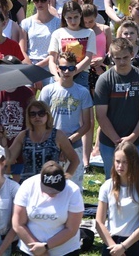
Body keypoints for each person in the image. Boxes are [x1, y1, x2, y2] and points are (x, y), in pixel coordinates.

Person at [94, 38, 139, 179]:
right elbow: (101, 116)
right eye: (117, 58)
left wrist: (132, 138)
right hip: (109, 142)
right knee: (113, 182)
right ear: (111, 56)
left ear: (132, 54)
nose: (121, 62)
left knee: (137, 182)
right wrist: (117, 140)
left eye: (125, 57)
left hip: (138, 141)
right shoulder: (104, 80)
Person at [39, 51, 93, 188]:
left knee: (73, 188)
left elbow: (87, 125)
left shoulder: (82, 92)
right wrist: (56, 142)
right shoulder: (47, 90)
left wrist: (67, 142)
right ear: (57, 68)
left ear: (76, 69)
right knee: (49, 187)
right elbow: (40, 119)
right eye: (63, 68)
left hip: (74, 145)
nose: (66, 71)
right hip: (50, 145)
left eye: (70, 68)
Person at [13, 161, 83, 255]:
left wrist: (46, 246)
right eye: (49, 190)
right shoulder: (28, 186)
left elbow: (71, 229)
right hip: (31, 250)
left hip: (64, 251)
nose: (52, 194)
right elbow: (18, 224)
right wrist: (37, 249)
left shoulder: (73, 190)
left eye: (57, 190)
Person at [96, 141, 139, 256]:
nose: (120, 166)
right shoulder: (107, 186)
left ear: (133, 163)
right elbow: (99, 222)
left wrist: (123, 247)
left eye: (125, 162)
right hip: (111, 243)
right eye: (117, 162)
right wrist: (113, 247)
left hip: (134, 242)